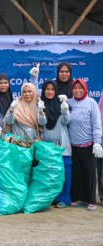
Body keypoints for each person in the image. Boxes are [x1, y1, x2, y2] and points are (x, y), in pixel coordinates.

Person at [67, 79, 102, 211]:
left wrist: (97, 142)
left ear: (85, 88)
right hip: (73, 145)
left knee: (90, 173)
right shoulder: (69, 102)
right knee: (77, 173)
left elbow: (97, 124)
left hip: (89, 145)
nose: (77, 91)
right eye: (75, 88)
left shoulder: (91, 103)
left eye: (80, 88)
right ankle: (79, 198)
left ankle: (91, 201)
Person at [38, 80, 71, 208]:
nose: (50, 92)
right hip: (47, 145)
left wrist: (65, 109)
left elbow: (67, 120)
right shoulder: (41, 105)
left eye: (52, 89)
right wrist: (41, 111)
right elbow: (42, 122)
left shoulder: (61, 104)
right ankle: (50, 198)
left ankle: (63, 199)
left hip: (63, 145)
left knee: (65, 171)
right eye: (47, 89)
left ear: (56, 91)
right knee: (49, 173)